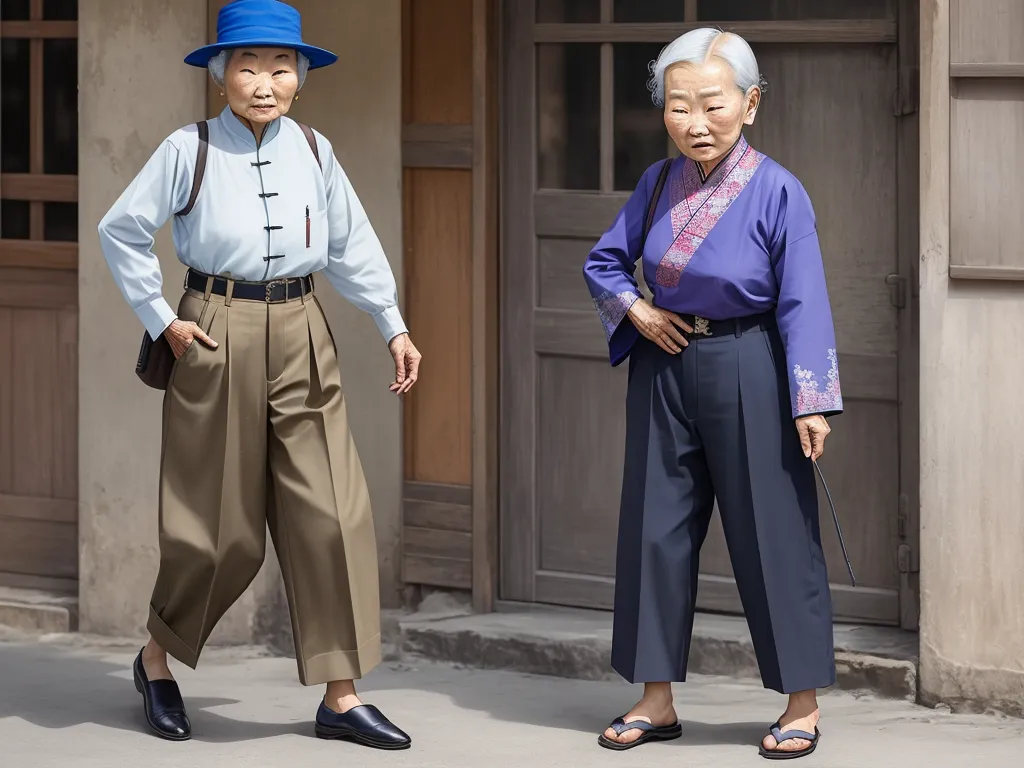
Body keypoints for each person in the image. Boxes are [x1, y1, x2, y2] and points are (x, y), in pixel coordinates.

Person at [97, 0, 419, 750]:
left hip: (304, 328)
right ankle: (156, 657)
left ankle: (341, 696)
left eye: (281, 66)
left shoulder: (315, 148)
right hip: (212, 330)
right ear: (222, 76)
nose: (265, 81)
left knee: (333, 513)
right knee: (219, 534)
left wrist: (393, 325)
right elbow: (120, 228)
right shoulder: (189, 148)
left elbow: (353, 245)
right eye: (248, 65)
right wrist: (160, 316)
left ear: (301, 78)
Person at [583, 28, 841, 760]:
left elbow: (804, 302)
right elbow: (605, 262)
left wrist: (811, 397)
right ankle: (654, 697)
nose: (695, 124)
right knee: (654, 530)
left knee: (774, 533)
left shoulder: (779, 190)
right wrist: (636, 309)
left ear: (751, 104)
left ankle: (802, 703)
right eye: (678, 107)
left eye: (713, 105)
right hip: (664, 365)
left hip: (749, 360)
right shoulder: (656, 184)